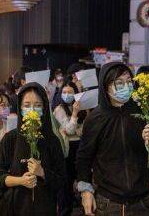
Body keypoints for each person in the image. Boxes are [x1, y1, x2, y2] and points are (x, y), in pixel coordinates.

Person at [76, 62, 149, 215]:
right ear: (105, 87)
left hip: (143, 200)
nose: (126, 87)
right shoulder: (95, 118)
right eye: (119, 83)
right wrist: (85, 190)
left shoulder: (143, 112)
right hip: (108, 201)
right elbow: (84, 157)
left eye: (128, 82)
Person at [0, 82, 66, 216]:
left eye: (38, 105)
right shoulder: (10, 138)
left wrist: (42, 172)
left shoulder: (52, 140)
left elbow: (61, 180)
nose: (32, 110)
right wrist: (20, 181)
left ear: (45, 108)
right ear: (20, 108)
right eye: (27, 105)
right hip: (13, 207)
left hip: (44, 207)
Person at [53, 80, 86, 216]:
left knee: (82, 179)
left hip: (81, 146)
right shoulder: (59, 109)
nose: (67, 95)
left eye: (70, 92)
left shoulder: (81, 107)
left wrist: (74, 126)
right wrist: (74, 115)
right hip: (67, 148)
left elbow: (83, 130)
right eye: (64, 92)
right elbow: (70, 130)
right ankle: (65, 211)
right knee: (66, 182)